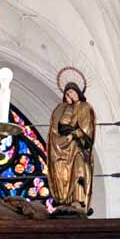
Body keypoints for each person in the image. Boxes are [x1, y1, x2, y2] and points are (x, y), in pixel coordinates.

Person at [47, 79, 96, 214]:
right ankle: (64, 200)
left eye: (72, 92)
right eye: (67, 93)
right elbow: (57, 128)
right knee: (61, 172)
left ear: (78, 92)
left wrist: (74, 134)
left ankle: (79, 201)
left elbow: (86, 128)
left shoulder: (84, 107)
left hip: (78, 146)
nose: (70, 95)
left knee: (79, 170)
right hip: (62, 147)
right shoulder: (61, 109)